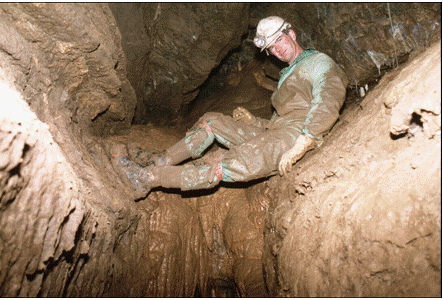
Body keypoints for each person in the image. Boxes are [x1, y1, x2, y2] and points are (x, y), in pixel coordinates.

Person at [108, 16, 348, 201]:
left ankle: (147, 179)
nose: (277, 49)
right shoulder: (288, 73)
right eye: (272, 48)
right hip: (278, 132)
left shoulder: (318, 62)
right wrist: (254, 122)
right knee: (211, 121)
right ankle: (160, 160)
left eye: (280, 41)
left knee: (229, 162)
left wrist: (305, 141)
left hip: (295, 136)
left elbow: (328, 99)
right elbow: (280, 120)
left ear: (292, 34)